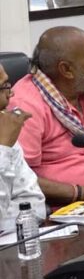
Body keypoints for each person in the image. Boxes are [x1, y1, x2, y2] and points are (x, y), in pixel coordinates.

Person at [10, 27, 84, 205]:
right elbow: (18, 177)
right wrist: (80, 192)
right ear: (66, 70)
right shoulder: (26, 104)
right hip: (60, 207)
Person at [0, 63, 45, 231]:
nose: (11, 94)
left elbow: (35, 206)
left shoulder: (4, 129)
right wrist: (3, 148)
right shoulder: (5, 138)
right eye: (4, 87)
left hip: (17, 240)